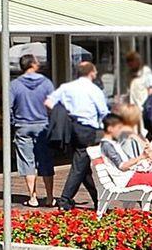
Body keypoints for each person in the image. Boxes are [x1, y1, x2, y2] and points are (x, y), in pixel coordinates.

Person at [47, 60, 109, 208]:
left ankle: (98, 199)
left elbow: (49, 102)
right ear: (92, 73)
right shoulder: (94, 90)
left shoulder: (67, 87)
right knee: (80, 164)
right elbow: (103, 111)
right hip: (87, 129)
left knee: (83, 165)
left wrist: (63, 112)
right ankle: (65, 199)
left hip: (71, 127)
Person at [7, 53, 56, 207]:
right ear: (33, 65)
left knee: (27, 161)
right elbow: (53, 104)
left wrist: (13, 122)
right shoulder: (46, 83)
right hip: (43, 125)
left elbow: (8, 106)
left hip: (22, 126)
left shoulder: (14, 85)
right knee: (46, 160)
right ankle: (49, 197)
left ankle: (32, 197)